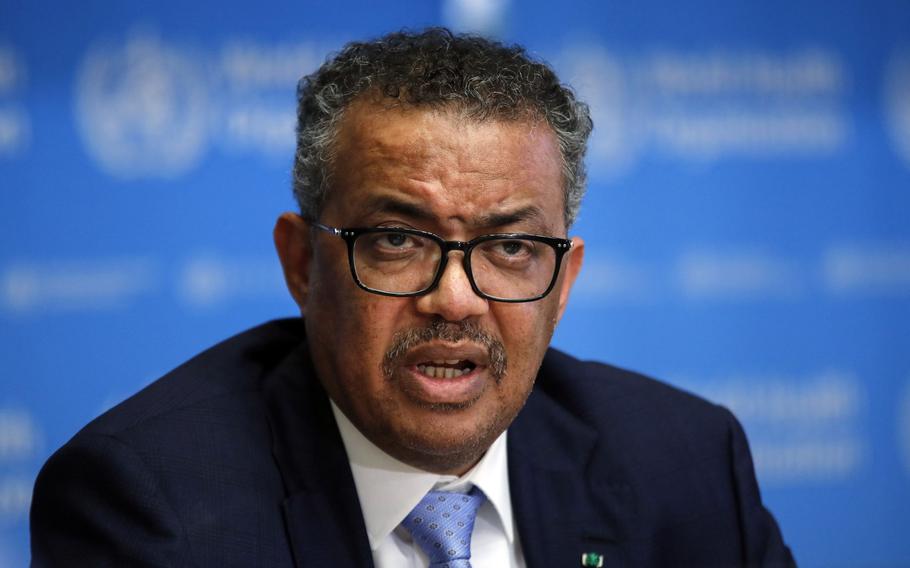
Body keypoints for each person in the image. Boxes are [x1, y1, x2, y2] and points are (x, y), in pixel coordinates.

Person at [30, 28, 794, 567]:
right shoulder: (153, 506)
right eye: (398, 240)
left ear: (563, 282)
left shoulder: (688, 464)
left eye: (512, 247)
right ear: (302, 263)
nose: (455, 300)